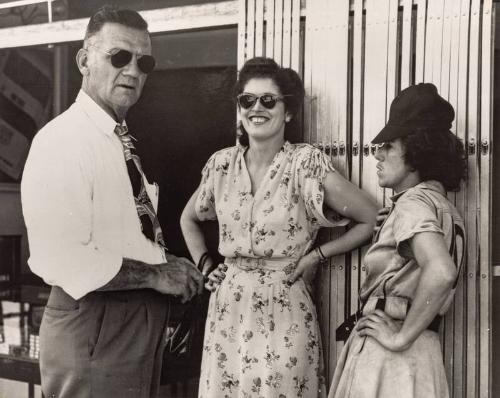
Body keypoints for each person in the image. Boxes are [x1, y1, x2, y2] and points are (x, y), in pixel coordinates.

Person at [21, 6, 204, 398]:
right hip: (97, 325)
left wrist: (165, 263)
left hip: (132, 324)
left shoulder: (115, 138)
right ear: (85, 60)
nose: (133, 70)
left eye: (144, 61)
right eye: (119, 56)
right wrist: (156, 275)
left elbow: (122, 233)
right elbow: (62, 258)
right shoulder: (63, 140)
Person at [180, 57, 378, 398]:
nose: (257, 108)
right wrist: (206, 265)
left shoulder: (304, 163)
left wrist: (317, 254)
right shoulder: (221, 165)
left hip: (284, 304)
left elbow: (369, 217)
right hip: (229, 309)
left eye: (268, 100)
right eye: (247, 100)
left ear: (288, 111)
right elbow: (189, 219)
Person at [329, 83, 466, 398]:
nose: (378, 154)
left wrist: (399, 338)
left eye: (389, 145)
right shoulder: (442, 206)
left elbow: (441, 271)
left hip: (390, 352)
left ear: (418, 151)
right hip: (424, 352)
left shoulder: (412, 204)